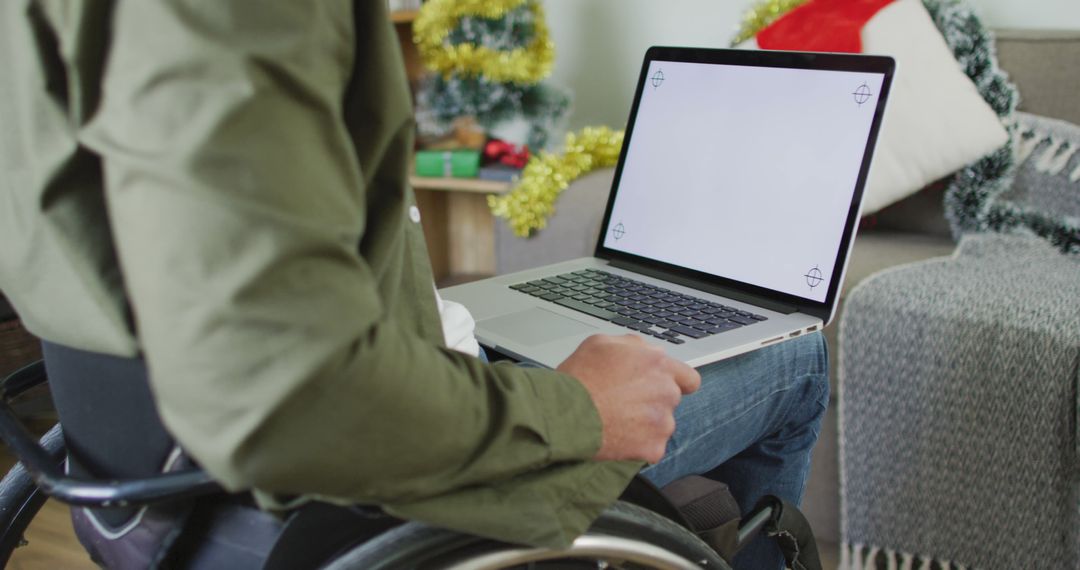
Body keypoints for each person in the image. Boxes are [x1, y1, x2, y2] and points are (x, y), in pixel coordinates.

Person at [0, 1, 827, 568]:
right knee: (799, 359)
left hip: (152, 464)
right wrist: (580, 409)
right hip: (367, 481)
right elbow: (290, 393)